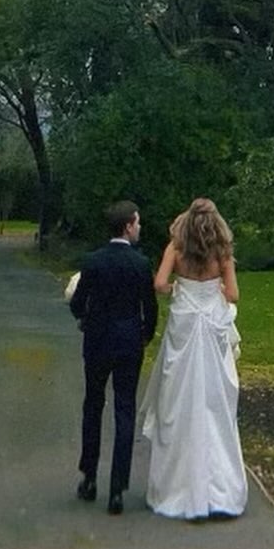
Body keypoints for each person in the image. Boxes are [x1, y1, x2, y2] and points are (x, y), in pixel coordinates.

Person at [140, 197, 247, 520]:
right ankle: (219, 492)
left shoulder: (176, 248)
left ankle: (178, 488)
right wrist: (211, 291)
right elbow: (233, 294)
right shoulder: (222, 253)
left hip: (185, 323)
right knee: (214, 402)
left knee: (179, 400)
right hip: (211, 323)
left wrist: (179, 289)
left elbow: (159, 284)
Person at [70, 200, 158, 515]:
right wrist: (144, 335)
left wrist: (85, 319)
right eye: (137, 222)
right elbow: (150, 307)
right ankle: (117, 489)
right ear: (127, 226)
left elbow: (78, 302)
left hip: (96, 341)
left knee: (93, 406)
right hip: (128, 343)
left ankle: (89, 477)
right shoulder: (140, 263)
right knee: (124, 411)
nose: (140, 227)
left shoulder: (93, 262)